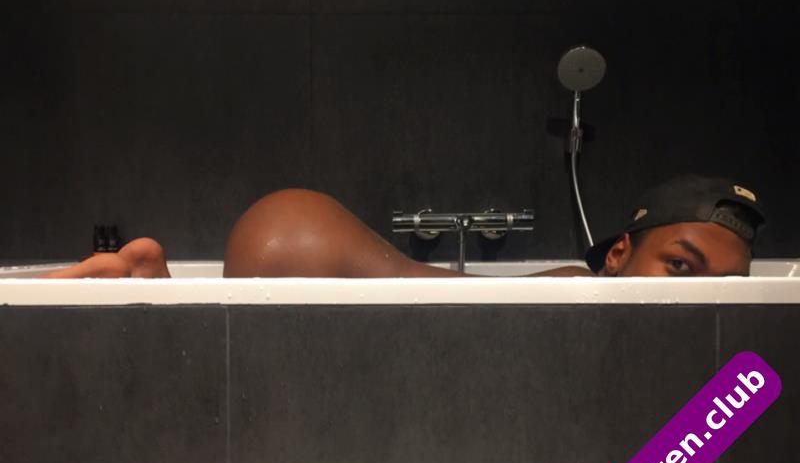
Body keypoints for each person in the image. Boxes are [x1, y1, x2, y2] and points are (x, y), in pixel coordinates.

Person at [41, 174, 765, 279]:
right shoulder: (584, 287)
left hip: (304, 236)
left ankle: (157, 286)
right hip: (310, 245)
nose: (704, 296)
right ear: (619, 252)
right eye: (682, 265)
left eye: (730, 286)